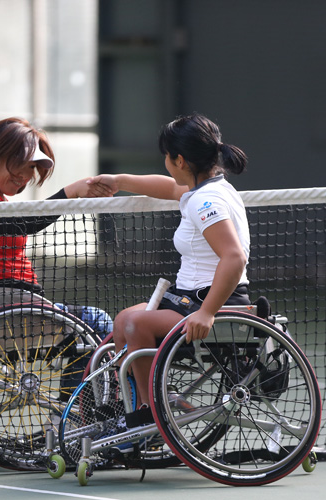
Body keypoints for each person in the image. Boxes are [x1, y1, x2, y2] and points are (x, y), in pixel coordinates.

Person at [86, 113, 251, 428]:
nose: (165, 162)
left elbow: (234, 257)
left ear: (179, 160)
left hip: (210, 301)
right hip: (189, 296)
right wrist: (119, 181)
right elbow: (168, 188)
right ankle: (136, 402)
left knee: (135, 325)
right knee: (123, 321)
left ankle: (151, 414)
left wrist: (208, 313)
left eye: (166, 156)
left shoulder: (206, 202)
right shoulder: (202, 188)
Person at [0, 116, 114, 339]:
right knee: (97, 320)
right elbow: (23, 223)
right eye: (18, 163)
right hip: (9, 311)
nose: (25, 175)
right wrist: (69, 194)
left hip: (13, 305)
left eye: (31, 167)